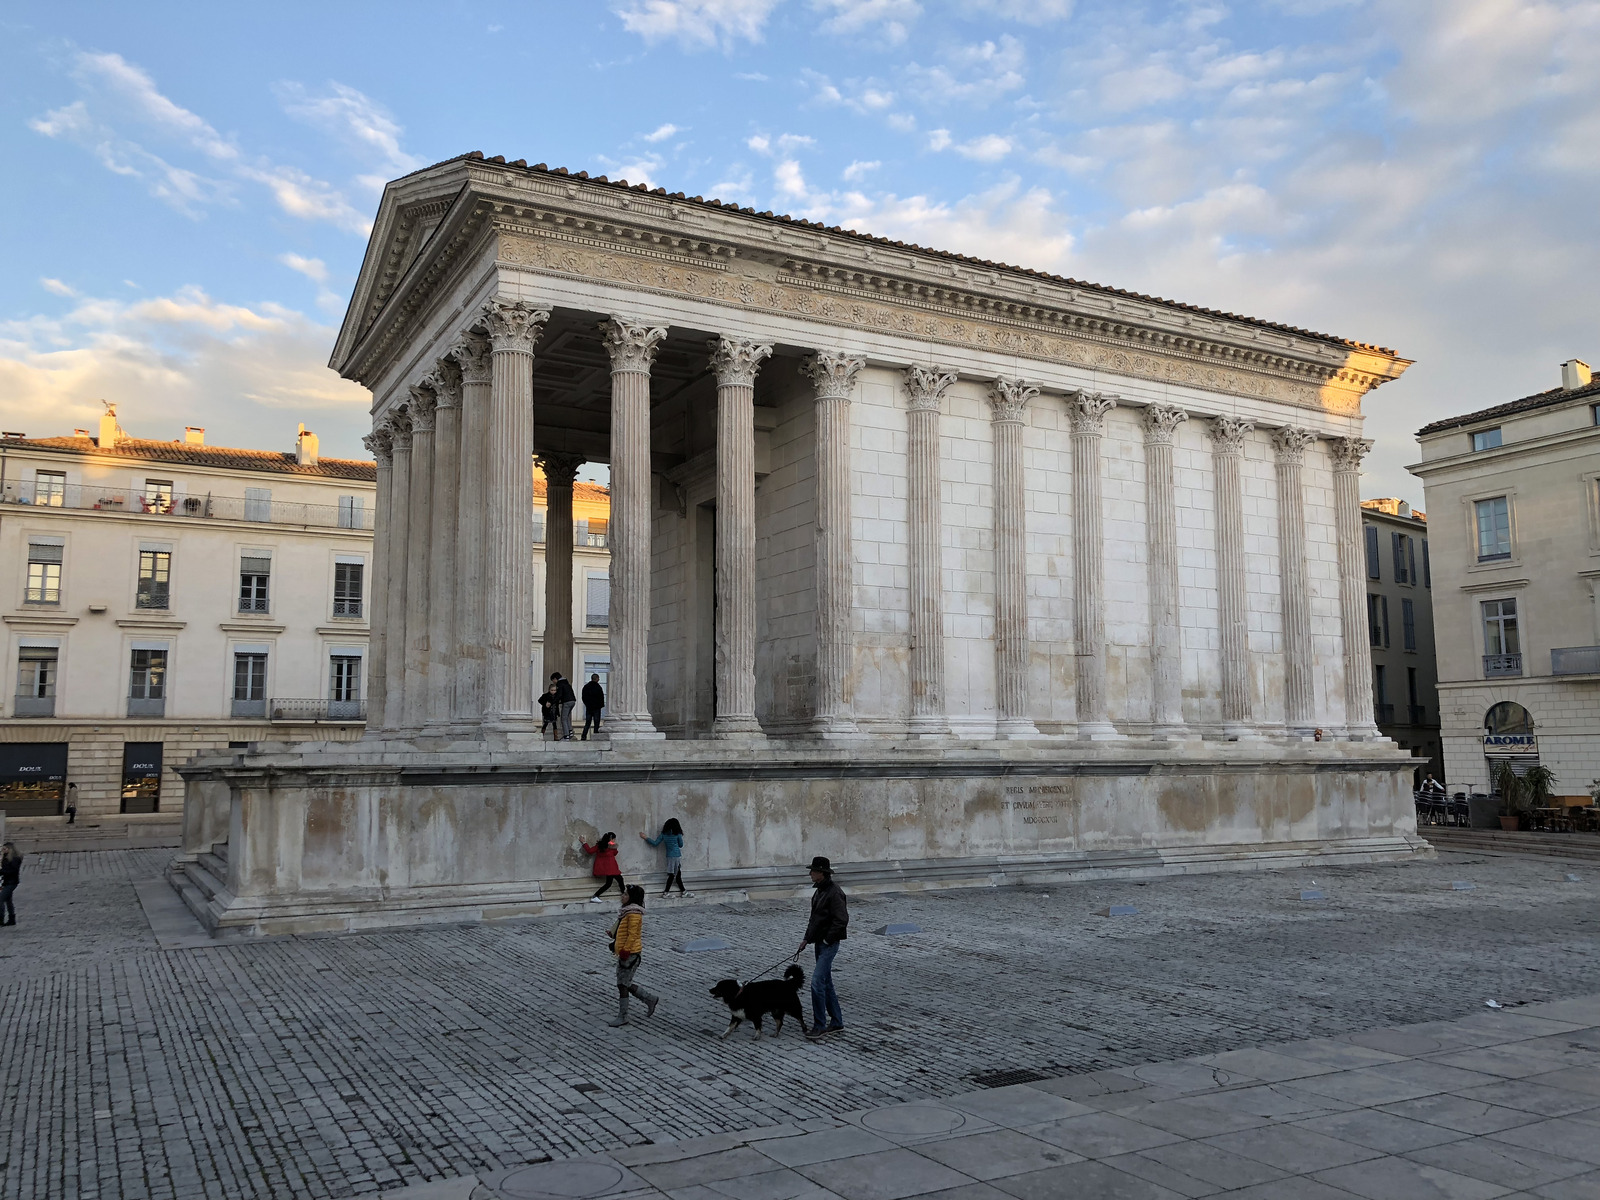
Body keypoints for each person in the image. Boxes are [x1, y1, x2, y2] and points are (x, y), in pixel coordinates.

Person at [796, 855, 847, 1038]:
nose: (810, 874)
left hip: (828, 944)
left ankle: (819, 1025)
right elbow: (814, 920)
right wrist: (806, 939)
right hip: (819, 943)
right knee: (826, 984)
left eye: (813, 871)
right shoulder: (819, 891)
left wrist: (827, 940)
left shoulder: (834, 893)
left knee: (817, 982)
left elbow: (841, 920)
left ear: (822, 873)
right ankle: (837, 1022)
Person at [606, 885, 661, 1026]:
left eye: (625, 894)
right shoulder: (626, 912)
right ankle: (649, 999)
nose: (622, 896)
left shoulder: (633, 914)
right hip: (625, 952)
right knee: (624, 983)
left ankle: (623, 1015)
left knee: (622, 984)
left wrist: (625, 950)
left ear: (632, 898)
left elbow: (633, 935)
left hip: (630, 954)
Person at [640, 818, 686, 897]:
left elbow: (655, 843)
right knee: (674, 875)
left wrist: (646, 838)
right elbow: (681, 845)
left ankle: (683, 891)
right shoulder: (677, 834)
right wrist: (681, 836)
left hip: (669, 856)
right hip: (677, 856)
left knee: (675, 874)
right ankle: (667, 892)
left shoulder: (664, 834)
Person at [582, 832, 625, 902]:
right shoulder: (607, 847)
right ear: (611, 839)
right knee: (618, 880)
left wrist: (584, 843)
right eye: (613, 839)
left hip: (609, 868)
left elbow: (590, 851)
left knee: (610, 883)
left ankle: (596, 896)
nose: (614, 840)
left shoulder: (600, 846)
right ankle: (624, 894)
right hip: (611, 868)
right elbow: (615, 853)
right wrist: (584, 842)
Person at [551, 672, 577, 740]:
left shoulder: (560, 684)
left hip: (567, 702)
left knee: (563, 719)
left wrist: (553, 702)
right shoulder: (566, 682)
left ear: (555, 679)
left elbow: (559, 695)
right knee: (567, 717)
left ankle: (566, 735)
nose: (554, 683)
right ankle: (570, 731)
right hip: (572, 701)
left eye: (553, 681)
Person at [0, 842, 21, 927]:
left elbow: (13, 871)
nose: (3, 850)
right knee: (8, 901)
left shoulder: (15, 859)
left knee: (1, 900)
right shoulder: (6, 858)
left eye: (5, 849)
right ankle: (11, 919)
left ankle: (1, 919)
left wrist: (1, 871)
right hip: (7, 881)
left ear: (10, 849)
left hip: (12, 882)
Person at [581, 674, 606, 741]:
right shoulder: (598, 687)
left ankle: (583, 736)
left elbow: (583, 697)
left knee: (587, 723)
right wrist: (601, 705)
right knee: (596, 722)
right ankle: (595, 736)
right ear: (597, 678)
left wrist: (587, 704)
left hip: (589, 707)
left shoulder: (586, 687)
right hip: (596, 708)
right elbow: (601, 697)